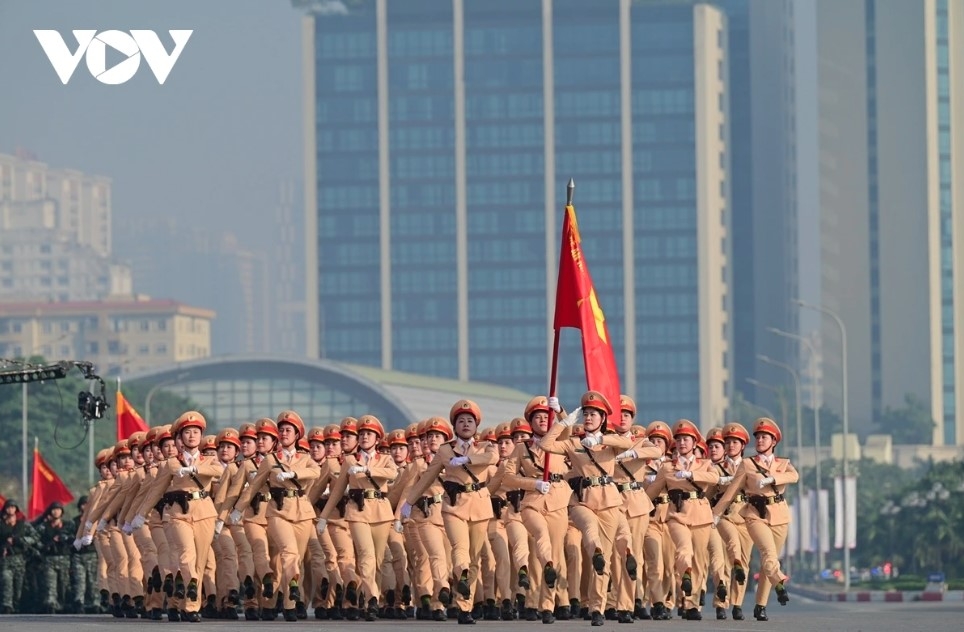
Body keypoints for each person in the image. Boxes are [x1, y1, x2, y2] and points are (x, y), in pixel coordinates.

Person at [539, 391, 635, 627]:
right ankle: (597, 552)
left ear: (603, 419)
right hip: (582, 501)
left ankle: (597, 609)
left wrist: (601, 440)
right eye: (586, 413)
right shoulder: (574, 442)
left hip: (609, 502)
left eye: (594, 414)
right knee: (592, 535)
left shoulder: (609, 442)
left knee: (602, 562)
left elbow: (627, 442)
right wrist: (563, 421)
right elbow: (546, 444)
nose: (589, 417)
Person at [402, 400, 499, 625]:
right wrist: (409, 502)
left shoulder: (486, 447)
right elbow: (427, 477)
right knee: (460, 548)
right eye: (461, 421)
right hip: (454, 506)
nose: (466, 424)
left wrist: (467, 459)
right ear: (455, 426)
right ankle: (462, 575)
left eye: (470, 421)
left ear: (476, 425)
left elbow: (492, 459)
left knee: (474, 558)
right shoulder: (446, 449)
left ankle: (465, 606)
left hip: (480, 505)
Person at [131, 411, 223, 622]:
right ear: (179, 437)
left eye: (196, 432)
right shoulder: (171, 464)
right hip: (177, 515)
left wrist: (194, 468)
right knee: (185, 553)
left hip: (204, 513)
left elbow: (219, 471)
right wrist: (140, 514)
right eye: (187, 432)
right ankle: (189, 599)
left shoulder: (210, 460)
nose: (192, 436)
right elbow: (155, 491)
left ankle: (183, 605)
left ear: (201, 436)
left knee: (199, 562)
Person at [233, 410, 321, 622]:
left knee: (292, 561)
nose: (283, 433)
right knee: (289, 553)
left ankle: (286, 604)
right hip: (277, 512)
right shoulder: (271, 460)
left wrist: (294, 474)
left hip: (302, 513)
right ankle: (282, 598)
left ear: (297, 434)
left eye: (288, 430)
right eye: (281, 430)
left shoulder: (306, 459)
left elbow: (316, 472)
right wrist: (238, 509)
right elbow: (253, 487)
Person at [713, 417, 798, 622]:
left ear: (773, 442)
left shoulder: (783, 464)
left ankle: (760, 606)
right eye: (758, 437)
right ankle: (779, 582)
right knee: (768, 555)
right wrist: (715, 514)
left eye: (764, 437)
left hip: (779, 515)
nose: (760, 440)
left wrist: (773, 479)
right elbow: (730, 492)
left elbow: (794, 476)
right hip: (754, 515)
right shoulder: (747, 464)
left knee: (768, 563)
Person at [318, 415, 398, 621]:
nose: (364, 437)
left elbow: (393, 473)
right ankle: (371, 599)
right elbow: (337, 492)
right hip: (358, 512)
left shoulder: (385, 459)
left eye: (368, 434)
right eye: (361, 434)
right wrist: (323, 517)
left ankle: (369, 599)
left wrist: (368, 469)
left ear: (377, 438)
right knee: (366, 556)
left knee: (378, 561)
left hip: (381, 512)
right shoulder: (350, 460)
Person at [645, 419, 721, 621]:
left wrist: (691, 474)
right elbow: (651, 493)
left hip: (702, 515)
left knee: (699, 561)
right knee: (683, 550)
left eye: (686, 439)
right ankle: (684, 573)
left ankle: (692, 605)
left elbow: (715, 479)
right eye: (678, 440)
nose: (682, 443)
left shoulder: (705, 464)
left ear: (694, 443)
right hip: (677, 515)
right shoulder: (668, 468)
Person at [0, 499, 38, 613]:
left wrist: (21, 540)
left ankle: (16, 606)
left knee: (18, 588)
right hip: (5, 559)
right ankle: (7, 606)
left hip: (20, 560)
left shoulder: (23, 525)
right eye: (8, 507)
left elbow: (35, 537)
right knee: (7, 583)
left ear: (16, 510)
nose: (10, 509)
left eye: (13, 507)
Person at [36, 501, 73, 613]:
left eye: (58, 509)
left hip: (64, 558)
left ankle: (61, 606)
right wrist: (45, 546)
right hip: (49, 560)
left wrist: (65, 539)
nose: (56, 512)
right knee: (50, 586)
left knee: (63, 585)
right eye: (53, 509)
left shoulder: (68, 525)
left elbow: (75, 537)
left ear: (62, 512)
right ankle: (51, 605)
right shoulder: (44, 526)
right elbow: (34, 537)